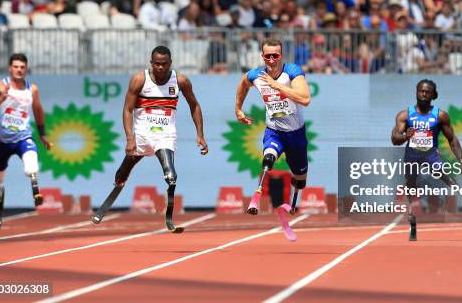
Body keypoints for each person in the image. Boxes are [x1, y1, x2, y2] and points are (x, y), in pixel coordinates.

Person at [91, 46, 208, 233]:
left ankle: (169, 216)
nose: (160, 68)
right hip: (141, 136)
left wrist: (200, 134)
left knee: (171, 175)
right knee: (122, 172)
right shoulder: (140, 80)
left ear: (170, 63)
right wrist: (130, 138)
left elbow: (194, 105)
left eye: (164, 64)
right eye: (157, 64)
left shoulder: (180, 81)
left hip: (165, 135)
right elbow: (127, 109)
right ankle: (118, 185)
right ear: (151, 63)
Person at [391, 80, 462, 241]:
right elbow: (394, 138)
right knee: (411, 183)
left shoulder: (440, 115)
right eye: (420, 91)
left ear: (433, 95)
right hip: (412, 155)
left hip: (431, 155)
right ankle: (411, 217)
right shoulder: (405, 115)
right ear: (416, 92)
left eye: (427, 92)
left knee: (447, 177)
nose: (423, 94)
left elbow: (452, 139)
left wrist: (461, 160)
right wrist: (405, 136)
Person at [235, 39, 311, 216]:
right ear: (262, 56)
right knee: (268, 159)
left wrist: (278, 86)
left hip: (296, 134)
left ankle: (296, 189)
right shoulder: (257, 75)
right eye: (268, 56)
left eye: (275, 55)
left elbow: (305, 99)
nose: (271, 60)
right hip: (274, 132)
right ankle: (256, 196)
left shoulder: (292, 72)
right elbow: (243, 83)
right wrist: (238, 109)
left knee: (300, 180)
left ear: (281, 56)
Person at [0, 53, 52, 230]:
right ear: (10, 68)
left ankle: (35, 187)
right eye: (16, 66)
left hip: (22, 137)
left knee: (31, 164)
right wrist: (1, 98)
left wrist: (42, 134)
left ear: (26, 69)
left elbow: (38, 111)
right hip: (1, 141)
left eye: (22, 67)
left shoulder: (31, 89)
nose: (19, 70)